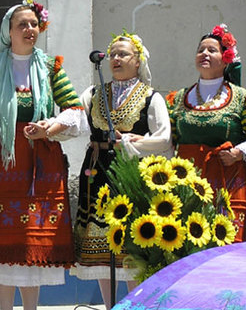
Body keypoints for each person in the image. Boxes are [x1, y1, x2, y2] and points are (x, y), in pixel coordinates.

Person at [0, 0, 89, 310]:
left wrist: (51, 125)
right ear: (8, 31)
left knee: (33, 239)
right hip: (0, 161)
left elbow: (75, 109)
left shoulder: (50, 67)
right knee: (1, 240)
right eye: (22, 24)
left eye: (33, 24)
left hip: (39, 162)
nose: (29, 29)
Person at [70, 31, 173, 310]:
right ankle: (109, 306)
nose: (116, 59)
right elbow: (73, 119)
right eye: (112, 54)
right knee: (101, 249)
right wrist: (51, 128)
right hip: (98, 171)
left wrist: (135, 141)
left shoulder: (152, 98)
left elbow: (164, 137)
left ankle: (135, 306)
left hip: (132, 175)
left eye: (123, 54)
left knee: (132, 246)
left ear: (138, 61)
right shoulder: (92, 94)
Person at [167, 23, 246, 242]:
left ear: (226, 58)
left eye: (211, 50)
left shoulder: (242, 97)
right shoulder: (178, 98)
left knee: (229, 244)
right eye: (200, 50)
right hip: (188, 183)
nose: (204, 53)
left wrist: (238, 153)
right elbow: (169, 141)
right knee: (189, 244)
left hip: (228, 179)